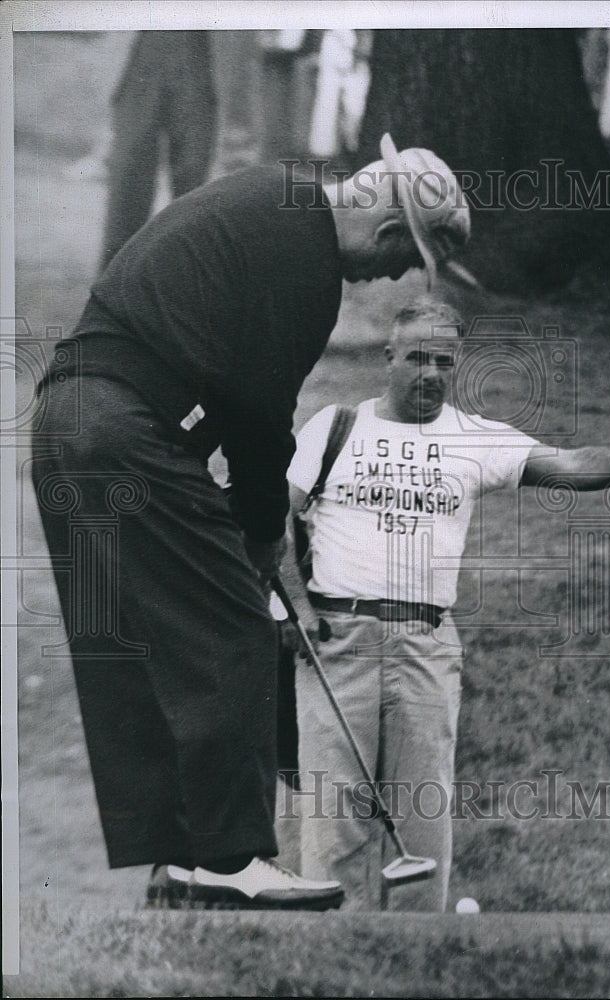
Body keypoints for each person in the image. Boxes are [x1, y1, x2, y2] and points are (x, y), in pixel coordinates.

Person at [31, 135, 470, 910]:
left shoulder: (279, 197)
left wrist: (237, 524)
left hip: (67, 425)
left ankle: (175, 862)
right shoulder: (304, 259)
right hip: (123, 429)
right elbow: (262, 417)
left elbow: (226, 382)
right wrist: (260, 538)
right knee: (233, 625)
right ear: (390, 229)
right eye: (407, 257)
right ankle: (231, 862)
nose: (395, 274)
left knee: (133, 644)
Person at [283, 297, 610, 912]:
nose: (431, 373)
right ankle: (329, 960)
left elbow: (571, 464)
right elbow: (274, 517)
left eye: (445, 362)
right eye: (418, 357)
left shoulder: (474, 437)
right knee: (334, 818)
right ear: (389, 357)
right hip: (335, 642)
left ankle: (420, 963)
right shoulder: (334, 426)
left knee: (422, 818)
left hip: (426, 645)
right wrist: (295, 611)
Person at [99, 31, 218, 272]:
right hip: (150, 33)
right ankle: (114, 284)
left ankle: (189, 282)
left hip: (206, 39)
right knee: (131, 165)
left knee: (193, 173)